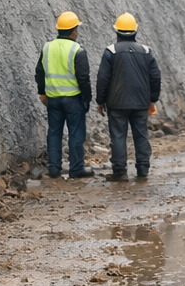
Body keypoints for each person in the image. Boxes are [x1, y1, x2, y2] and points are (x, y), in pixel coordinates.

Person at [95, 13, 161, 181]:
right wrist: (152, 99)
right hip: (141, 103)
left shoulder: (111, 52)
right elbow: (155, 77)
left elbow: (103, 78)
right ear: (135, 31)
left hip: (117, 103)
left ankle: (120, 172)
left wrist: (100, 101)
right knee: (141, 135)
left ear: (117, 31)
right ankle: (143, 169)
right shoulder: (146, 51)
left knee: (118, 136)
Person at [36, 11, 94, 179]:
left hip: (53, 99)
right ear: (73, 31)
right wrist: (87, 99)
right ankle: (76, 168)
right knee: (76, 133)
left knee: (54, 132)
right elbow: (83, 78)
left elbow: (39, 72)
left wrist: (42, 92)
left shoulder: (47, 48)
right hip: (73, 99)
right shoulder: (77, 50)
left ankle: (54, 168)